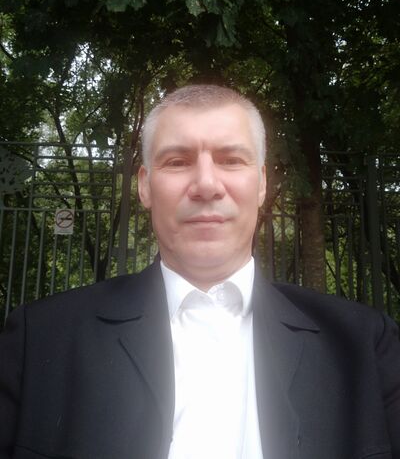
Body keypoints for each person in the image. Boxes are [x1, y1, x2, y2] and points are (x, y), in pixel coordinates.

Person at [0, 84, 399, 459]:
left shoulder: (366, 345)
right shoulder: (39, 342)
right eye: (177, 162)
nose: (207, 184)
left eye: (231, 160)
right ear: (145, 186)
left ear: (261, 184)